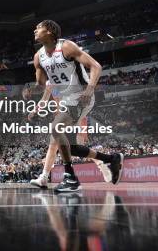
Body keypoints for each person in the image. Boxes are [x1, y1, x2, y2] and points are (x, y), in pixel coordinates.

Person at [28, 20, 123, 193]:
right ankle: (111, 159)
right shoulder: (38, 56)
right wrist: (32, 94)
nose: (35, 30)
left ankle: (70, 178)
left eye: (39, 27)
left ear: (49, 31)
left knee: (55, 130)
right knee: (70, 148)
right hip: (66, 101)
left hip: (81, 97)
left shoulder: (66, 46)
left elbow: (96, 66)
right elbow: (42, 84)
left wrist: (89, 89)